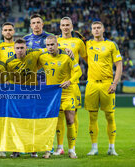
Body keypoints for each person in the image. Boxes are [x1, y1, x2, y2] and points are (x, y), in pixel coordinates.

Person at [39, 35, 82, 159]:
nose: (50, 47)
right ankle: (52, 148)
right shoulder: (42, 57)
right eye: (48, 45)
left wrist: (70, 81)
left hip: (67, 92)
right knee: (52, 122)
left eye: (52, 44)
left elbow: (78, 71)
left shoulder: (67, 57)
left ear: (57, 44)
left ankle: (72, 150)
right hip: (52, 94)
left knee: (70, 120)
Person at [85, 21, 122, 156]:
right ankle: (94, 147)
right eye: (94, 28)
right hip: (92, 84)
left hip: (107, 84)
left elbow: (119, 65)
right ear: (91, 30)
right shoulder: (88, 44)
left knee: (110, 116)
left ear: (103, 29)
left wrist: (115, 83)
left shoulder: (111, 45)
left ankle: (111, 147)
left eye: (98, 28)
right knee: (92, 117)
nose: (96, 30)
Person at [53, 17, 86, 155]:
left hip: (73, 84)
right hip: (58, 85)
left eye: (68, 25)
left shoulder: (78, 42)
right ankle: (60, 147)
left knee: (72, 116)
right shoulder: (55, 41)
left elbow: (87, 58)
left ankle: (72, 147)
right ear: (60, 27)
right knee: (59, 116)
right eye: (63, 25)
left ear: (72, 27)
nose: (65, 27)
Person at [6, 38, 44, 158]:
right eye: (17, 48)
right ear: (14, 49)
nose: (20, 50)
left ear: (26, 48)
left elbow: (50, 48)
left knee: (31, 123)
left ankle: (33, 149)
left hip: (32, 95)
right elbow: (7, 80)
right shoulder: (9, 63)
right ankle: (15, 150)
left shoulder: (34, 53)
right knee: (16, 123)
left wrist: (66, 49)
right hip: (17, 97)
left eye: (22, 48)